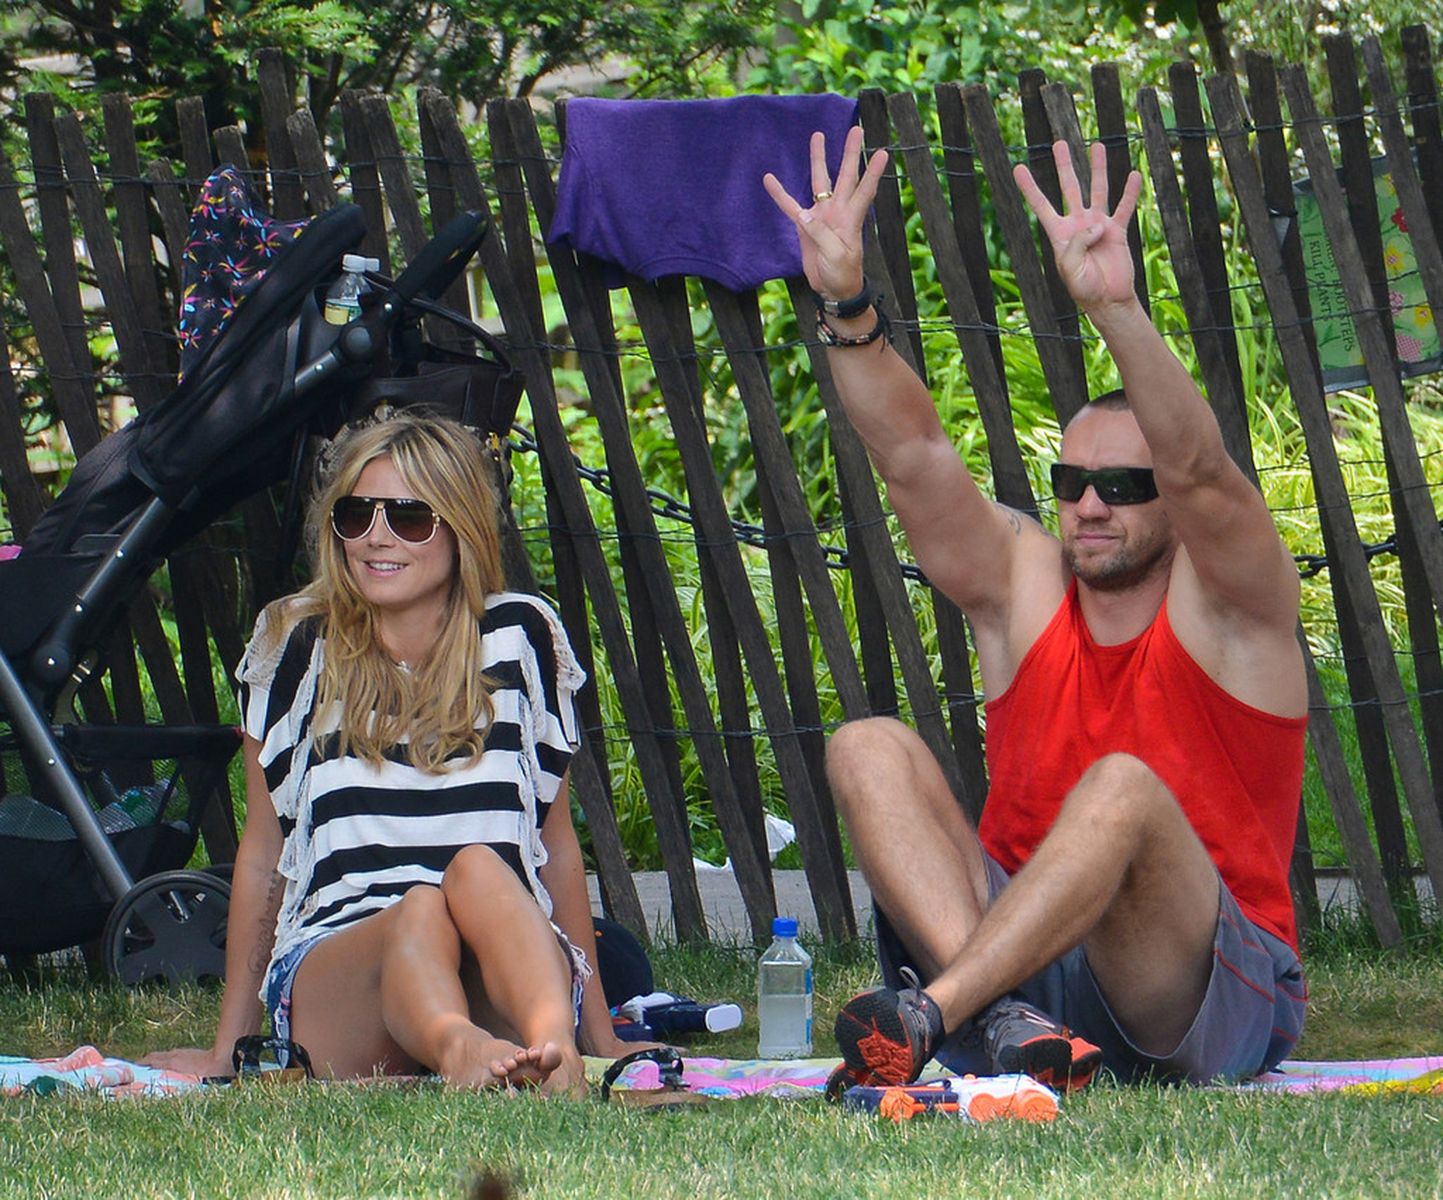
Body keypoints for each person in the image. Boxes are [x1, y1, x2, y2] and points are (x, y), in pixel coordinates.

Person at [763, 129, 1308, 1089]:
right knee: (865, 744)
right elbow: (913, 457)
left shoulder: (1229, 603)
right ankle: (1005, 1022)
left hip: (1200, 979)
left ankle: (939, 1013)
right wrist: (844, 302)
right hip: (1032, 973)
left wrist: (1115, 309)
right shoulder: (1027, 580)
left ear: (1170, 509)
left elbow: (1203, 472)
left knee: (1122, 787)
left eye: (1122, 483)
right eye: (1071, 479)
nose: (1089, 504)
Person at [145, 412, 638, 1094]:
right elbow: (264, 855)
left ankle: (557, 1052)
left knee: (480, 869)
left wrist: (601, 1034)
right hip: (346, 972)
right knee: (418, 906)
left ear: (460, 526)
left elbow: (552, 848)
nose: (376, 537)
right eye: (356, 514)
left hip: (499, 960)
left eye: (408, 517)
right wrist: (230, 1047)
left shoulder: (522, 637)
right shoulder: (296, 643)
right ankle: (458, 1045)